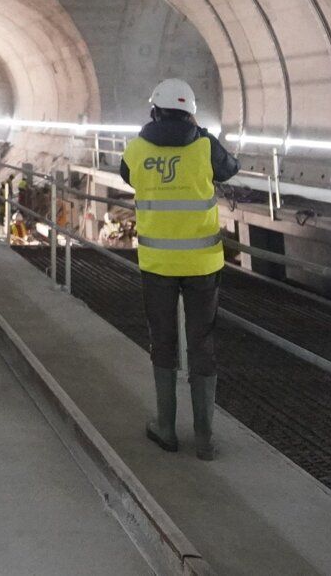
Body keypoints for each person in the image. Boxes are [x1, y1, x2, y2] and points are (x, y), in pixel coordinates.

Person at [122, 78, 237, 460]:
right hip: (203, 263)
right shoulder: (204, 145)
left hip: (158, 264)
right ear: (192, 112)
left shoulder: (137, 149)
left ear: (154, 109)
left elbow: (126, 175)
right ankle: (204, 438)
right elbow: (230, 169)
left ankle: (166, 428)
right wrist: (200, 134)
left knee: (164, 341)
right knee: (202, 342)